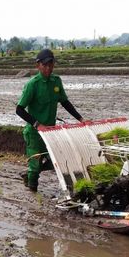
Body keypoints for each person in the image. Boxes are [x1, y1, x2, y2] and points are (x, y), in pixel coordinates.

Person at [15, 49, 84, 192]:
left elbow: (65, 102)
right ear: (38, 66)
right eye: (45, 65)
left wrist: (81, 119)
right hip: (35, 134)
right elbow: (19, 109)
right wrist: (37, 125)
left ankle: (29, 173)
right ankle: (33, 198)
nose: (48, 68)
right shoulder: (32, 85)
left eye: (50, 65)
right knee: (35, 167)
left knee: (55, 161)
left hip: (50, 132)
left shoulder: (56, 82)